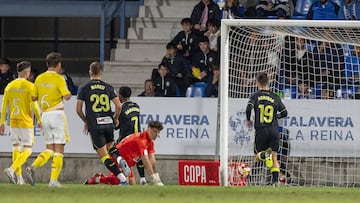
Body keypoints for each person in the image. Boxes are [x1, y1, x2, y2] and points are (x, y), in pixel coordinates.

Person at [76, 62, 130, 185]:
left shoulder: (84, 88)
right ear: (101, 73)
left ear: (90, 72)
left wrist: (86, 121)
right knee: (111, 148)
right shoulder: (108, 87)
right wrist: (115, 119)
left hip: (95, 125)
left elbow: (78, 110)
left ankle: (122, 179)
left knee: (104, 156)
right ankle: (120, 158)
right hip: (108, 123)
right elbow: (119, 106)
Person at [25, 52, 72, 188]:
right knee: (59, 150)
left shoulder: (39, 78)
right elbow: (67, 96)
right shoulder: (59, 78)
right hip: (57, 114)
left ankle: (32, 167)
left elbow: (33, 97)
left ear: (47, 64)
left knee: (49, 149)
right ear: (59, 65)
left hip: (44, 115)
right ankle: (53, 181)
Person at [1, 61, 42, 184]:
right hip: (25, 121)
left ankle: (19, 179)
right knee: (28, 149)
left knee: (16, 147)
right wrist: (39, 119)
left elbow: (4, 107)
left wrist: (2, 122)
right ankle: (12, 169)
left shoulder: (9, 86)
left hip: (13, 121)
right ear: (27, 72)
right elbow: (34, 106)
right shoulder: (30, 86)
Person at [246, 72, 288, 186]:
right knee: (275, 157)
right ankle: (275, 182)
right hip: (274, 129)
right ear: (268, 82)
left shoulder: (255, 96)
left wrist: (248, 119)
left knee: (258, 156)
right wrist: (276, 116)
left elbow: (248, 108)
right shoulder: (275, 97)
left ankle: (265, 155)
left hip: (261, 129)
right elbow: (284, 113)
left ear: (257, 83)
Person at [110, 121, 164, 186]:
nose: (157, 135)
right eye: (155, 131)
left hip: (127, 165)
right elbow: (146, 163)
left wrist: (157, 178)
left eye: (158, 132)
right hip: (117, 160)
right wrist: (155, 180)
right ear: (149, 129)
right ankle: (98, 178)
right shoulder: (141, 141)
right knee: (118, 182)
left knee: (132, 185)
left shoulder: (150, 142)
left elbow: (153, 162)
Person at [117, 86, 147, 185]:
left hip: (126, 139)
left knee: (121, 160)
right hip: (137, 137)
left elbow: (116, 126)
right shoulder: (136, 106)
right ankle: (143, 179)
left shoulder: (121, 108)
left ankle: (124, 180)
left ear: (120, 96)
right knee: (138, 157)